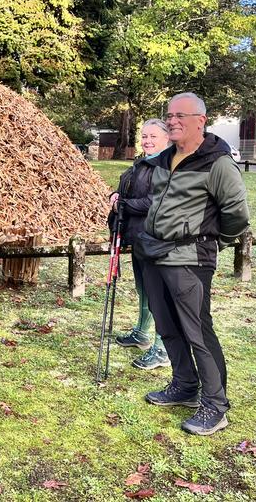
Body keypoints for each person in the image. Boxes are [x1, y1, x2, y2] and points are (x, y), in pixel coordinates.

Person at [139, 92, 249, 436]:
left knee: (197, 331)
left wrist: (209, 239)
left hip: (190, 260)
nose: (172, 120)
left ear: (200, 120)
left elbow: (237, 215)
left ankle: (215, 406)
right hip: (154, 254)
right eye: (168, 115)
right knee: (166, 325)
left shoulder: (217, 163)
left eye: (180, 115)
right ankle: (184, 386)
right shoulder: (164, 158)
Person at [109, 119, 171, 370]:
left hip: (157, 238)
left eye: (153, 136)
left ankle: (163, 348)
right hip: (138, 236)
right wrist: (115, 195)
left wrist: (122, 205)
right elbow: (130, 190)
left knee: (159, 294)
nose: (147, 140)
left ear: (167, 139)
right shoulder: (142, 162)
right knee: (143, 288)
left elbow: (155, 202)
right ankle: (142, 333)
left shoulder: (167, 165)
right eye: (144, 136)